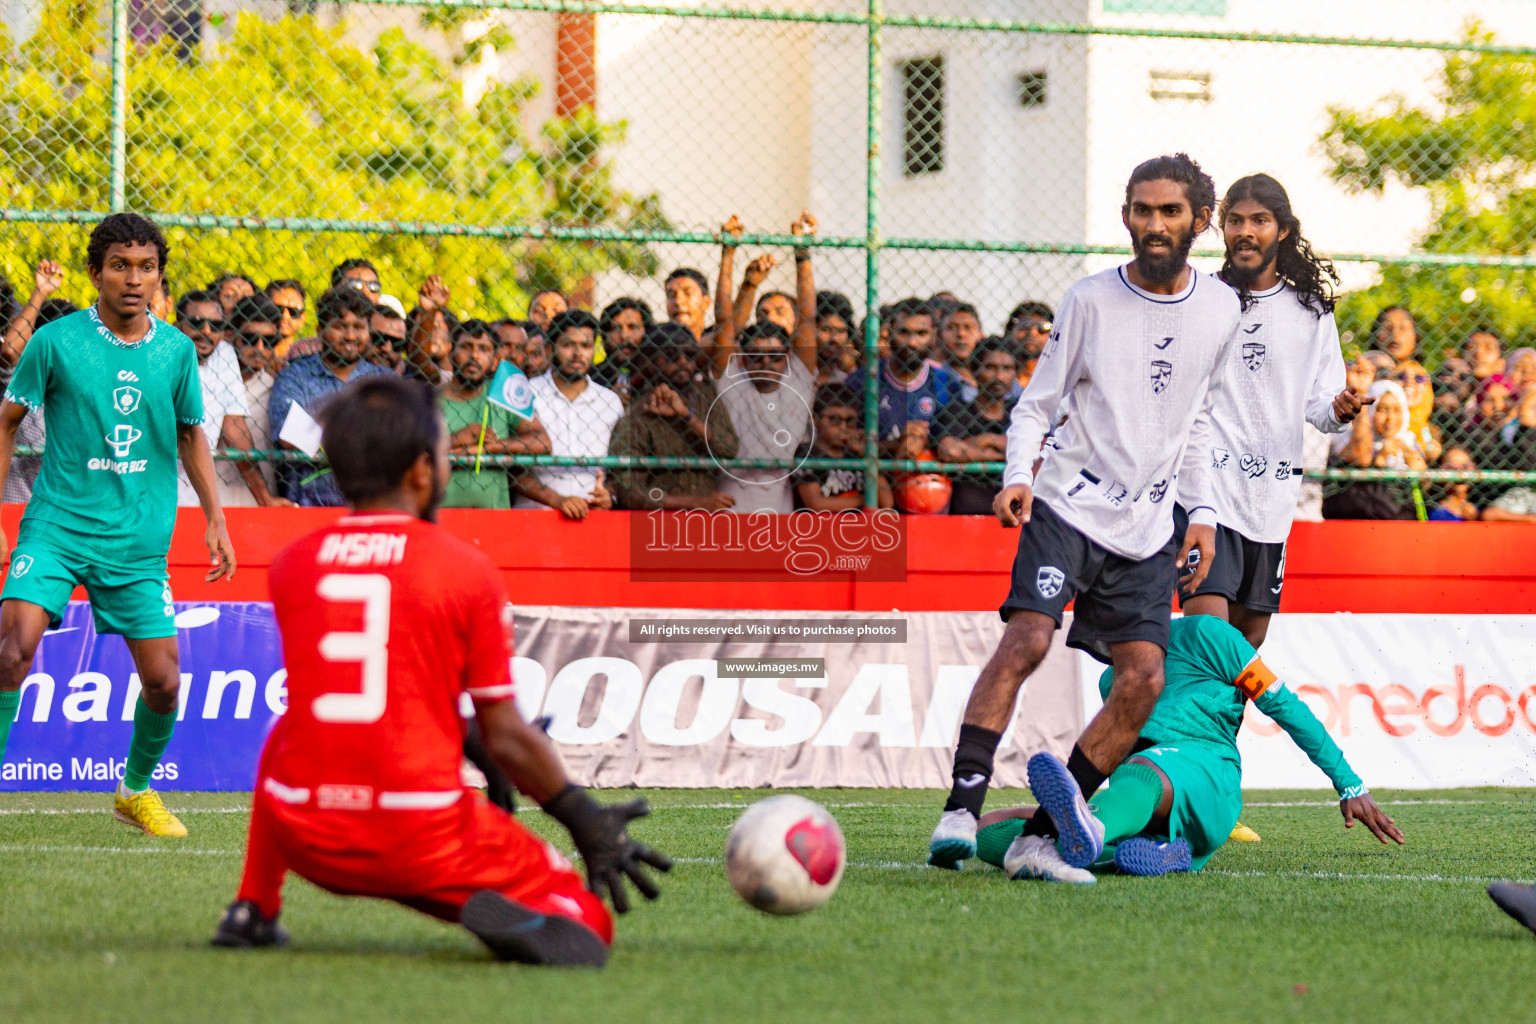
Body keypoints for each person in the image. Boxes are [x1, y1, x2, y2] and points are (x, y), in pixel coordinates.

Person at [211, 375, 669, 963]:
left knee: (290, 726)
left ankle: (253, 907)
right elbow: (504, 729)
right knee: (587, 923)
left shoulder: (293, 564)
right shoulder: (464, 569)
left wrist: (467, 738)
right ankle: (491, 900)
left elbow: (377, 690)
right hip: (417, 838)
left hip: (309, 835)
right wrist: (582, 818)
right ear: (423, 471)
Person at [928, 153, 1240, 874]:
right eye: (1141, 209)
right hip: (1067, 505)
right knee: (1028, 640)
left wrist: (1203, 514)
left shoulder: (1222, 309)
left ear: (1199, 219)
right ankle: (960, 809)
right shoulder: (1091, 299)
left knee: (1144, 680)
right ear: (1126, 214)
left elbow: (1199, 424)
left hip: (1147, 529)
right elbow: (1037, 403)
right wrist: (1017, 476)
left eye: (1169, 211)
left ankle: (1042, 837)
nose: (1153, 224)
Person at [0, 213, 236, 836]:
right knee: (12, 650)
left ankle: (134, 791)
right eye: (120, 266)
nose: (134, 279)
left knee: (163, 683)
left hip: (136, 541)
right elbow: (6, 420)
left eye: (147, 267)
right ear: (95, 273)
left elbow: (192, 435)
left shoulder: (178, 351)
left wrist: (215, 516)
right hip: (55, 526)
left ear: (159, 276)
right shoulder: (55, 343)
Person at [970, 615, 1402, 882]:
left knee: (1141, 771)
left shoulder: (1208, 636)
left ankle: (1093, 833)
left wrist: (1348, 783)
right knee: (988, 829)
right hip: (1140, 804)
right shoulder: (1111, 681)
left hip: (1208, 778)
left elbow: (1284, 706)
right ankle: (1142, 853)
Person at [1178, 174, 1366, 650]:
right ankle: (1170, 725)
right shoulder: (1199, 298)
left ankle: (1205, 728)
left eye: (1259, 220)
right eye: (1235, 220)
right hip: (1206, 495)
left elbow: (1321, 409)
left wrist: (1340, 408)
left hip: (1271, 500)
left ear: (1282, 229)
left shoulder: (1311, 311)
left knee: (1248, 644)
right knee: (1211, 637)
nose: (1246, 230)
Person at [710, 213, 818, 514]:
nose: (766, 363)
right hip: (730, 502)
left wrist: (802, 253)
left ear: (787, 358)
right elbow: (724, 324)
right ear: (743, 358)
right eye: (756, 356)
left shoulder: (798, 379)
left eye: (775, 357)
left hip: (779, 505)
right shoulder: (732, 382)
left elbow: (808, 318)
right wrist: (728, 253)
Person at [270, 286, 392, 506]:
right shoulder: (294, 376)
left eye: (358, 327)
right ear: (319, 330)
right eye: (340, 327)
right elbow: (290, 437)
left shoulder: (385, 382)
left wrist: (321, 431)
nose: (350, 335)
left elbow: (398, 439)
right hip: (308, 507)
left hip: (371, 508)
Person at [607, 322, 738, 510]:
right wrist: (695, 502)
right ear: (651, 362)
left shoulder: (705, 396)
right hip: (658, 526)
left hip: (707, 525)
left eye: (690, 355)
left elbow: (729, 448)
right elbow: (630, 491)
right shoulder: (638, 416)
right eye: (671, 356)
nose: (683, 362)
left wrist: (687, 415)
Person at [174, 290, 286, 508]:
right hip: (153, 477)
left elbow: (234, 427)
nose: (206, 331)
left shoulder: (223, 353)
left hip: (195, 490)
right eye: (196, 323)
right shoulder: (161, 352)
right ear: (178, 326)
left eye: (215, 325)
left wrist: (264, 498)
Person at [515, 310, 622, 519]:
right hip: (534, 518)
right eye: (567, 344)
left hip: (594, 520)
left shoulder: (610, 402)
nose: (577, 354)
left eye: (585, 346)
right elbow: (511, 470)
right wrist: (558, 500)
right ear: (549, 348)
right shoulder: (526, 394)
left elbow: (623, 466)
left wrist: (611, 495)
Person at [439, 319, 550, 509]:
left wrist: (490, 448)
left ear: (495, 361)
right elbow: (411, 454)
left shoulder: (502, 395)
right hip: (439, 517)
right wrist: (454, 440)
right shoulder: (430, 399)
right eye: (466, 347)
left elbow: (542, 442)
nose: (475, 355)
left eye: (484, 349)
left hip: (494, 519)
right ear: (451, 352)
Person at [843, 297, 960, 461]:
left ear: (934, 335)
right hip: (873, 481)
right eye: (904, 332)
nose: (912, 343)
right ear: (889, 332)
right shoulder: (860, 382)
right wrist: (897, 444)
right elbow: (847, 444)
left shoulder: (948, 385)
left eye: (921, 333)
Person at [932, 338, 1018, 516]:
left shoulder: (1021, 412)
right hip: (966, 516)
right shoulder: (957, 412)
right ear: (975, 371)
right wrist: (1007, 451)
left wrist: (984, 441)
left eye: (1007, 369)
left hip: (1013, 514)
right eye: (990, 367)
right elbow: (950, 451)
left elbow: (1041, 450)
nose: (999, 377)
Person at [0, 260, 62, 503]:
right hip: (13, 505)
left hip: (47, 511)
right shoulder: (18, 375)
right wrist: (40, 293)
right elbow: (9, 353)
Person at [791, 384, 893, 511]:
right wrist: (867, 499)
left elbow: (887, 502)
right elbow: (816, 504)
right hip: (820, 527)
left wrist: (864, 453)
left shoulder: (856, 454)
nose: (843, 427)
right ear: (816, 420)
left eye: (850, 420)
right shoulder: (807, 452)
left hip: (858, 527)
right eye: (834, 419)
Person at [229, 294, 285, 500]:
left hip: (262, 505)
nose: (260, 349)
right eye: (251, 339)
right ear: (233, 336)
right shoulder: (209, 383)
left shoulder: (278, 389)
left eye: (269, 341)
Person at [592, 297, 652, 402]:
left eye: (632, 327)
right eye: (615, 328)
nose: (624, 336)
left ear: (646, 331)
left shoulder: (656, 378)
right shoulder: (591, 378)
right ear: (605, 335)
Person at [937, 302, 984, 397]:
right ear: (939, 336)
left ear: (981, 335)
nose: (961, 334)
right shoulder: (935, 382)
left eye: (968, 327)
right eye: (952, 327)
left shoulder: (996, 377)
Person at [1003, 300, 1053, 386]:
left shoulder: (1058, 373)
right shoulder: (997, 372)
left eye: (1042, 328)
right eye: (1025, 326)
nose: (1032, 333)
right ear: (1010, 331)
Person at [814, 291, 857, 386]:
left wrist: (851, 370)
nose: (835, 339)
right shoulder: (794, 367)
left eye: (841, 331)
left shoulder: (846, 377)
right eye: (826, 329)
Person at [265, 279, 308, 362]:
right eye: (277, 309)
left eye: (293, 311)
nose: (285, 316)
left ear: (303, 318)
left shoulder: (306, 359)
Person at [663, 268, 711, 341]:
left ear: (706, 302)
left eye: (688, 293)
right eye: (671, 295)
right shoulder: (658, 344)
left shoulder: (718, 341)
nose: (678, 301)